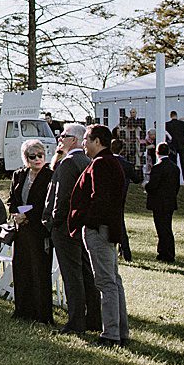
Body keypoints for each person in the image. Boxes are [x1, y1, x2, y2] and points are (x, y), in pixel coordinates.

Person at [70, 124, 130, 346]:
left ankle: (111, 333)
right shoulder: (109, 162)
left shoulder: (102, 164)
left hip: (100, 229)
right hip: (108, 228)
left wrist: (88, 221)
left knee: (106, 282)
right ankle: (120, 331)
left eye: (86, 139)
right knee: (114, 280)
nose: (83, 143)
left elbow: (100, 199)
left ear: (97, 141)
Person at [45, 122, 101, 336]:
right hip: (81, 225)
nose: (60, 138)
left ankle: (76, 321)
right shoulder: (87, 160)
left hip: (66, 227)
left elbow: (62, 197)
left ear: (74, 140)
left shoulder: (69, 163)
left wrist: (53, 222)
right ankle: (94, 318)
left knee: (72, 275)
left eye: (64, 135)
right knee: (86, 273)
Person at [6, 140, 53, 323]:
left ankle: (42, 315)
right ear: (26, 158)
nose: (37, 159)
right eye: (32, 156)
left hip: (39, 230)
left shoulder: (50, 176)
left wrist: (26, 215)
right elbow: (12, 200)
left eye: (40, 155)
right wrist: (17, 214)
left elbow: (45, 203)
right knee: (21, 269)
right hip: (21, 230)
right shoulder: (19, 175)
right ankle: (22, 311)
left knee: (40, 271)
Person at [145, 141, 180, 263]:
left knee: (161, 229)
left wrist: (146, 186)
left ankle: (167, 254)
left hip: (158, 202)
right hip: (169, 201)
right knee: (166, 227)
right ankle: (162, 251)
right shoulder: (175, 168)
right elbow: (176, 186)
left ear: (157, 153)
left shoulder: (157, 168)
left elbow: (153, 186)